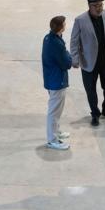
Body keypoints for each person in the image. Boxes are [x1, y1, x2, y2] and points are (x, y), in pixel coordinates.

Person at [70, 0, 105, 127]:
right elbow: (74, 41)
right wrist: (75, 58)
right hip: (89, 62)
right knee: (91, 90)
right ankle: (95, 113)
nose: (99, 8)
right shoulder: (80, 20)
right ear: (89, 6)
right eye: (96, 6)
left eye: (101, 5)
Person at [42, 15, 73, 150]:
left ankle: (56, 131)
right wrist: (69, 56)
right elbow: (67, 63)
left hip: (51, 79)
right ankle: (52, 140)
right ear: (61, 27)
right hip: (57, 81)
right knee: (54, 112)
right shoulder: (57, 44)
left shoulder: (48, 38)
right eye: (65, 24)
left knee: (57, 110)